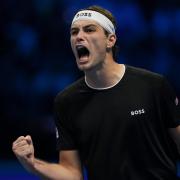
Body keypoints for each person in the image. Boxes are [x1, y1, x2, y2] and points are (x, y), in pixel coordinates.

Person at [12, 5, 180, 180]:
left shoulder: (154, 85)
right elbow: (72, 173)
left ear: (110, 40)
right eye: (74, 32)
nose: (79, 37)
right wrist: (33, 165)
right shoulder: (66, 101)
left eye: (89, 30)